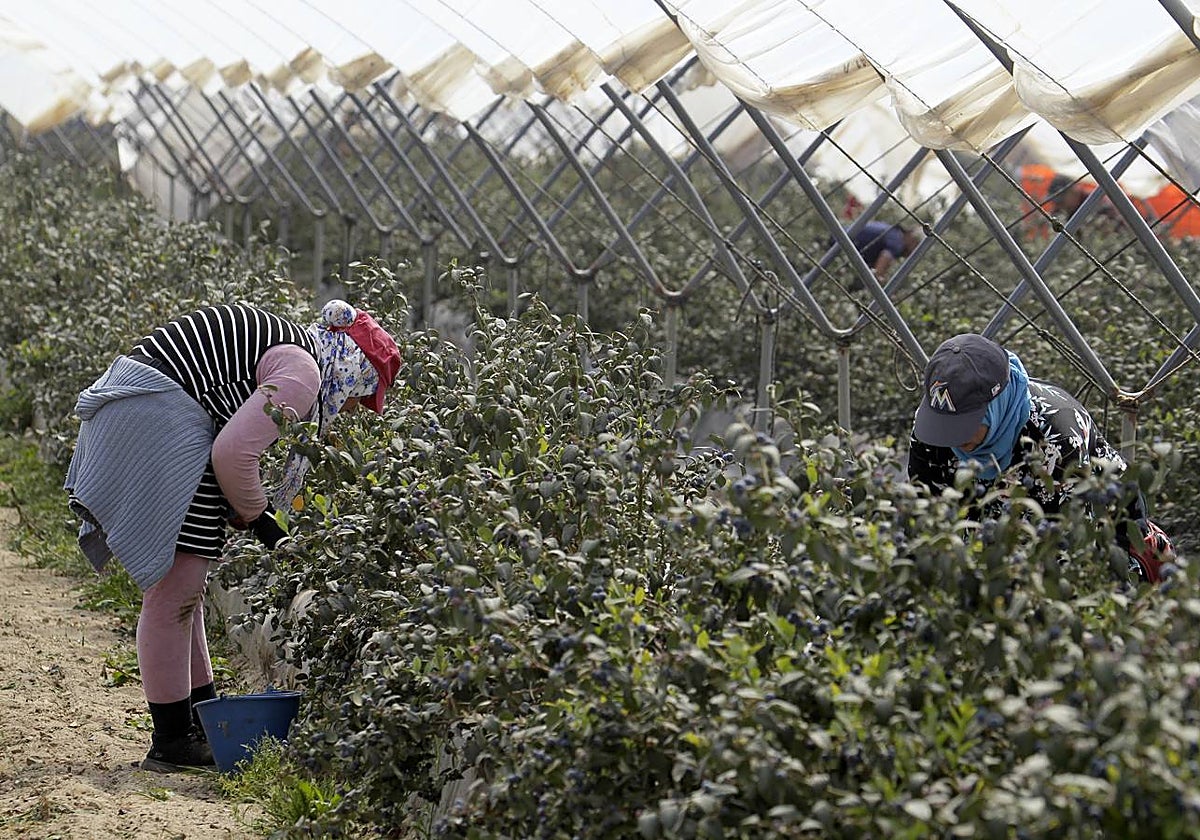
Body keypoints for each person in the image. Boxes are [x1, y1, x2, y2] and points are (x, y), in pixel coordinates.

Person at [63, 299, 401, 772]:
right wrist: (265, 523)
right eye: (358, 398)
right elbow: (233, 454)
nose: (349, 410)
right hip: (158, 416)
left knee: (186, 586)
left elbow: (232, 445)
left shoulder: (297, 351)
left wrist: (247, 506)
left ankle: (200, 718)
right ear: (355, 371)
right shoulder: (304, 374)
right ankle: (171, 741)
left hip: (150, 409)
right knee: (173, 593)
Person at [906, 333, 1173, 583]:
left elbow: (1065, 549)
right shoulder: (935, 424)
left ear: (995, 406)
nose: (951, 437)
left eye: (964, 424)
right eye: (946, 426)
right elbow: (928, 516)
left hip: (1088, 515)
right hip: (994, 514)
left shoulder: (1055, 436)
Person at [845, 220, 921, 281]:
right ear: (911, 237)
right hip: (843, 245)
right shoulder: (898, 241)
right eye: (917, 245)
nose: (915, 251)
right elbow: (884, 258)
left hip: (844, 238)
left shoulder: (894, 232)